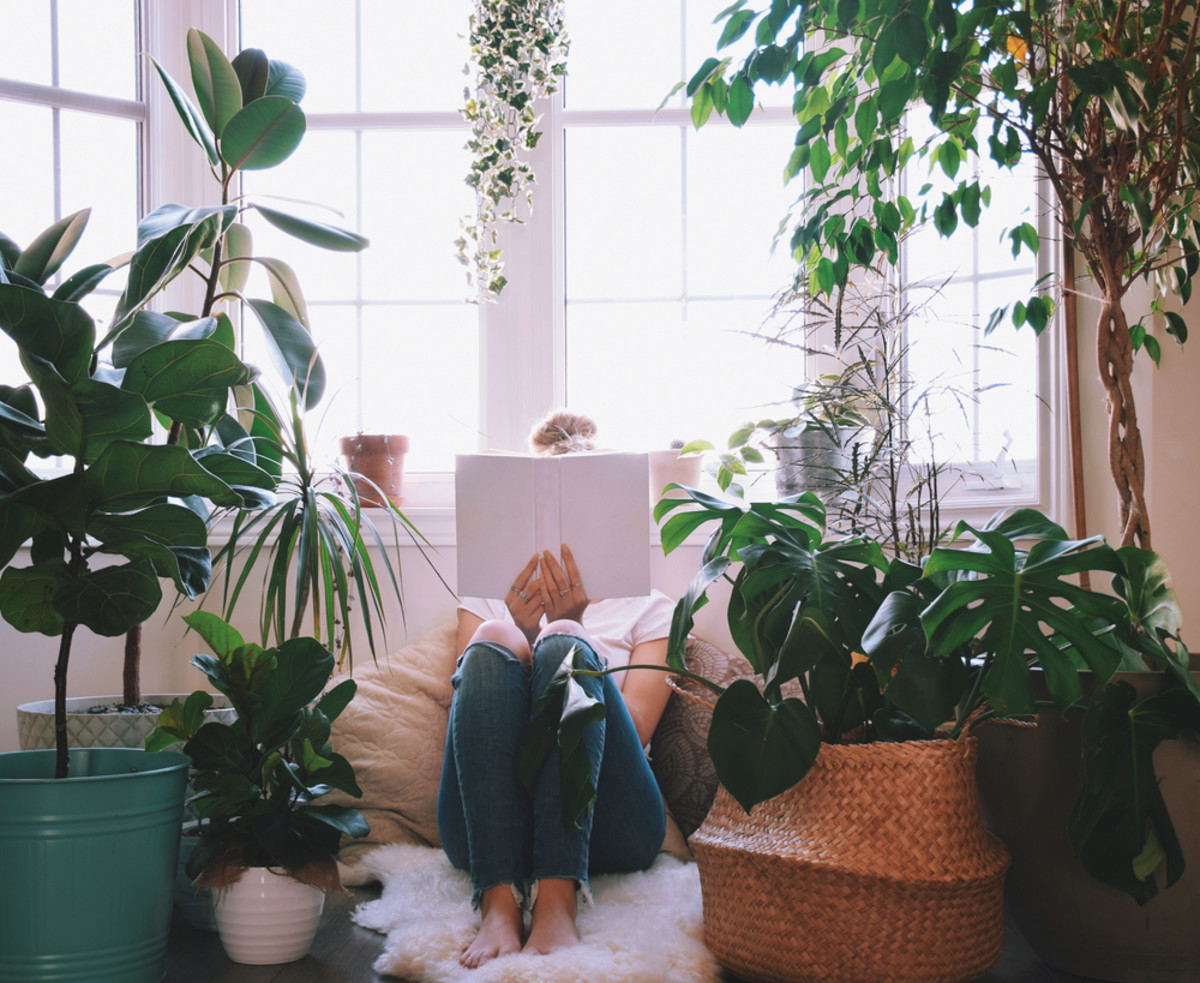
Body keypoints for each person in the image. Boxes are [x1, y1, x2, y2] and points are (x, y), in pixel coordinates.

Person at [437, 411, 675, 968]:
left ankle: (558, 899)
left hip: (611, 823)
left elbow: (635, 731)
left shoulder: (652, 607)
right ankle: (498, 903)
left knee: (565, 637)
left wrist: (575, 634)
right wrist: (520, 633)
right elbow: (469, 728)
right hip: (489, 824)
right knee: (498, 636)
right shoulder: (485, 599)